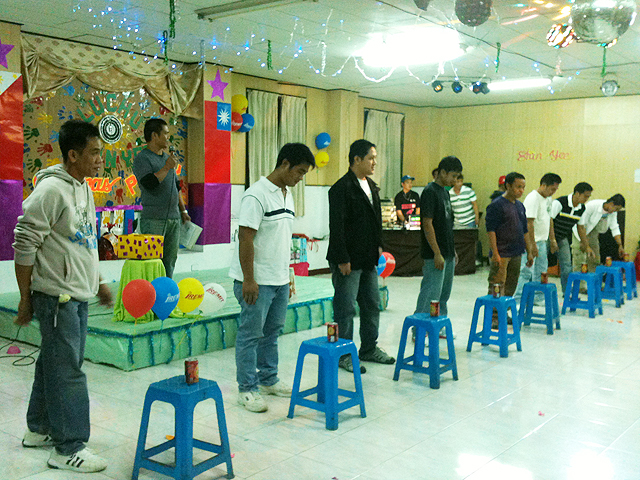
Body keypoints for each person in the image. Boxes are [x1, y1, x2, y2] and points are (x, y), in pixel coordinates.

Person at [13, 120, 112, 473]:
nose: (100, 160)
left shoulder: (83, 188)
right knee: (68, 371)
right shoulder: (51, 190)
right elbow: (24, 244)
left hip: (77, 294)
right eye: (94, 153)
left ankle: (39, 428)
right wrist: (25, 298)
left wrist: (98, 281)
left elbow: (83, 241)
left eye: (100, 152)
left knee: (53, 363)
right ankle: (68, 447)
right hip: (57, 298)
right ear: (73, 155)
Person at [229, 143, 315, 412]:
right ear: (285, 164)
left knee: (272, 333)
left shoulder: (287, 195)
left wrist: (287, 276)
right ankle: (247, 388)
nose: (300, 178)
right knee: (250, 334)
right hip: (257, 280)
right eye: (299, 172)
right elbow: (245, 238)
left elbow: (280, 239)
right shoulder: (256, 195)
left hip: (279, 279)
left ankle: (268, 379)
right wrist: (249, 279)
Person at [327, 139, 395, 373]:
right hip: (348, 259)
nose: (374, 162)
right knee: (345, 308)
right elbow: (336, 226)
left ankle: (368, 348)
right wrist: (342, 258)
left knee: (372, 304)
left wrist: (379, 246)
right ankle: (343, 353)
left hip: (368, 257)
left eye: (375, 158)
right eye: (370, 158)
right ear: (356, 159)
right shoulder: (341, 188)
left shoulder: (372, 186)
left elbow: (376, 221)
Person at [133, 118, 190, 279]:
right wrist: (166, 167)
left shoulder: (167, 158)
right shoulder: (143, 158)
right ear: (154, 135)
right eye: (165, 133)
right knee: (152, 261)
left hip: (174, 218)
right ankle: (151, 292)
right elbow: (149, 183)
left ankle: (166, 290)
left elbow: (175, 186)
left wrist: (183, 210)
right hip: (154, 219)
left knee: (170, 260)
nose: (168, 137)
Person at [414, 156, 463, 321]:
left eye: (457, 177)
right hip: (435, 254)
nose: (455, 180)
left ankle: (439, 325)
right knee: (431, 293)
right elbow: (427, 224)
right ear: (442, 172)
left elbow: (446, 225)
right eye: (453, 176)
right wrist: (436, 252)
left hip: (447, 252)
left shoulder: (445, 193)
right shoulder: (430, 192)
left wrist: (452, 250)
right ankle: (420, 328)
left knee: (443, 295)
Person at [486, 172, 533, 325]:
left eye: (523, 187)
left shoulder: (520, 206)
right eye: (518, 187)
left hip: (517, 252)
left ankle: (503, 314)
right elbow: (491, 230)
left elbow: (525, 230)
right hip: (502, 253)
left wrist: (529, 251)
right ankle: (493, 318)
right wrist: (495, 253)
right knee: (497, 284)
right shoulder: (496, 205)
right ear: (508, 186)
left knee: (511, 285)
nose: (521, 190)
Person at [513, 173, 562, 302]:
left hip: (542, 241)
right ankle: (518, 298)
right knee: (526, 271)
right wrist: (532, 245)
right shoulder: (533, 198)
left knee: (541, 271)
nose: (553, 192)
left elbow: (549, 219)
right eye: (552, 189)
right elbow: (529, 223)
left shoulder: (548, 199)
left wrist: (552, 239)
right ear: (543, 185)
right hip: (530, 242)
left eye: (556, 190)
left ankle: (538, 297)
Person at [550, 182, 593, 294]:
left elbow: (581, 227)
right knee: (541, 265)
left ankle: (566, 292)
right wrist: (552, 240)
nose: (587, 199)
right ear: (577, 194)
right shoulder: (559, 203)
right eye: (585, 196)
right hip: (547, 236)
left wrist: (586, 245)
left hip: (562, 238)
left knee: (567, 267)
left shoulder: (582, 208)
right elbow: (549, 220)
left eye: (588, 197)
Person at [572, 194, 626, 272]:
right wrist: (585, 244)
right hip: (580, 231)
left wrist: (620, 245)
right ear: (611, 204)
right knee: (579, 259)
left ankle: (594, 277)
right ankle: (579, 279)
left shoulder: (613, 213)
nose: (616, 211)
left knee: (594, 258)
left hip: (593, 232)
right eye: (616, 209)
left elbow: (615, 228)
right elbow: (581, 226)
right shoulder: (592, 205)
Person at [450, 173, 480, 275]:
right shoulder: (449, 193)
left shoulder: (469, 191)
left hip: (469, 221)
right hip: (457, 222)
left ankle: (473, 261)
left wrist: (476, 218)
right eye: (457, 182)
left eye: (460, 182)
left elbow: (474, 205)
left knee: (472, 243)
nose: (459, 184)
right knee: (459, 243)